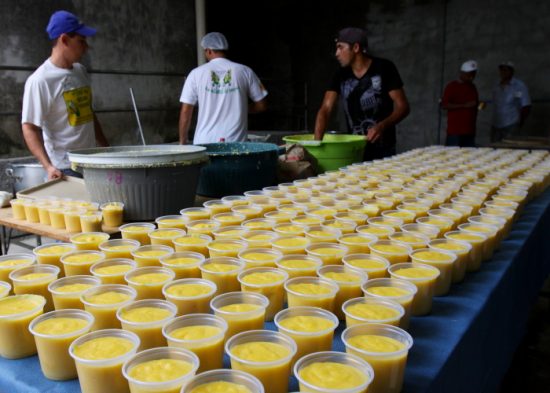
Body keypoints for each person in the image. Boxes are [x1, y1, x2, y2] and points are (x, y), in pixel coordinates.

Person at [21, 10, 108, 180]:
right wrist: (49, 167)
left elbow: (88, 113)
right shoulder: (41, 80)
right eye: (81, 41)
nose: (86, 47)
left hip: (92, 160)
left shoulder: (80, 71)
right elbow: (29, 127)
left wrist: (106, 147)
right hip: (65, 168)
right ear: (64, 40)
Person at [314, 27, 409, 160]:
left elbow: (403, 107)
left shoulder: (384, 68)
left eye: (340, 47)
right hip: (355, 149)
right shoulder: (340, 74)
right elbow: (325, 109)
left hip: (383, 149)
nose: (336, 53)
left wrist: (382, 126)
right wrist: (316, 146)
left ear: (356, 47)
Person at [178, 32, 268, 144]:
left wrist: (183, 141)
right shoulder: (245, 71)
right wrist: (241, 108)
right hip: (236, 144)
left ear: (208, 50)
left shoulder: (195, 74)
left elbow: (186, 110)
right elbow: (262, 105)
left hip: (204, 142)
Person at [440, 60, 479, 147]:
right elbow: (444, 105)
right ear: (462, 73)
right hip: (455, 131)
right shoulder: (452, 86)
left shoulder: (472, 87)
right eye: (469, 74)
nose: (471, 77)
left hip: (470, 131)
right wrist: (464, 105)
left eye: (473, 74)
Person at [491, 61, 531, 142]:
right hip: (496, 124)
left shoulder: (519, 86)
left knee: (510, 148)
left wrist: (520, 122)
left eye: (506, 70)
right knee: (495, 149)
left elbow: (526, 106)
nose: (503, 72)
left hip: (511, 124)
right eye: (501, 70)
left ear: (512, 72)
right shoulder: (496, 85)